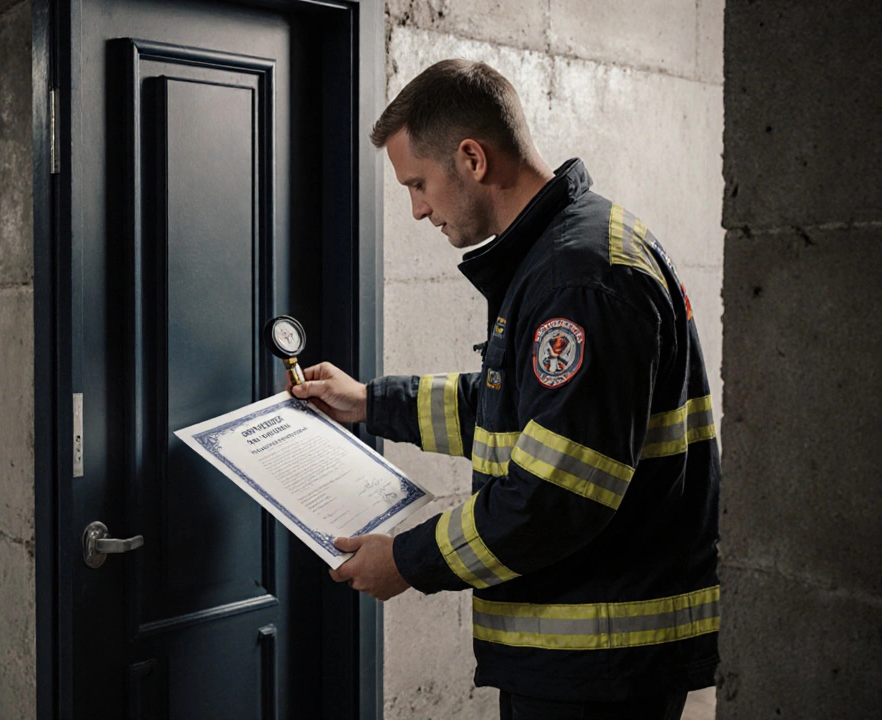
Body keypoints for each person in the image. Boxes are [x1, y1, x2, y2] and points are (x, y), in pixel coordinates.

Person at [290, 59, 720, 719]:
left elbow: (554, 498)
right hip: (586, 656)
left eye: (419, 184)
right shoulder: (565, 252)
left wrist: (407, 560)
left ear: (471, 158)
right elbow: (511, 412)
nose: (416, 210)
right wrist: (370, 402)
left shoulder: (580, 277)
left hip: (600, 662)